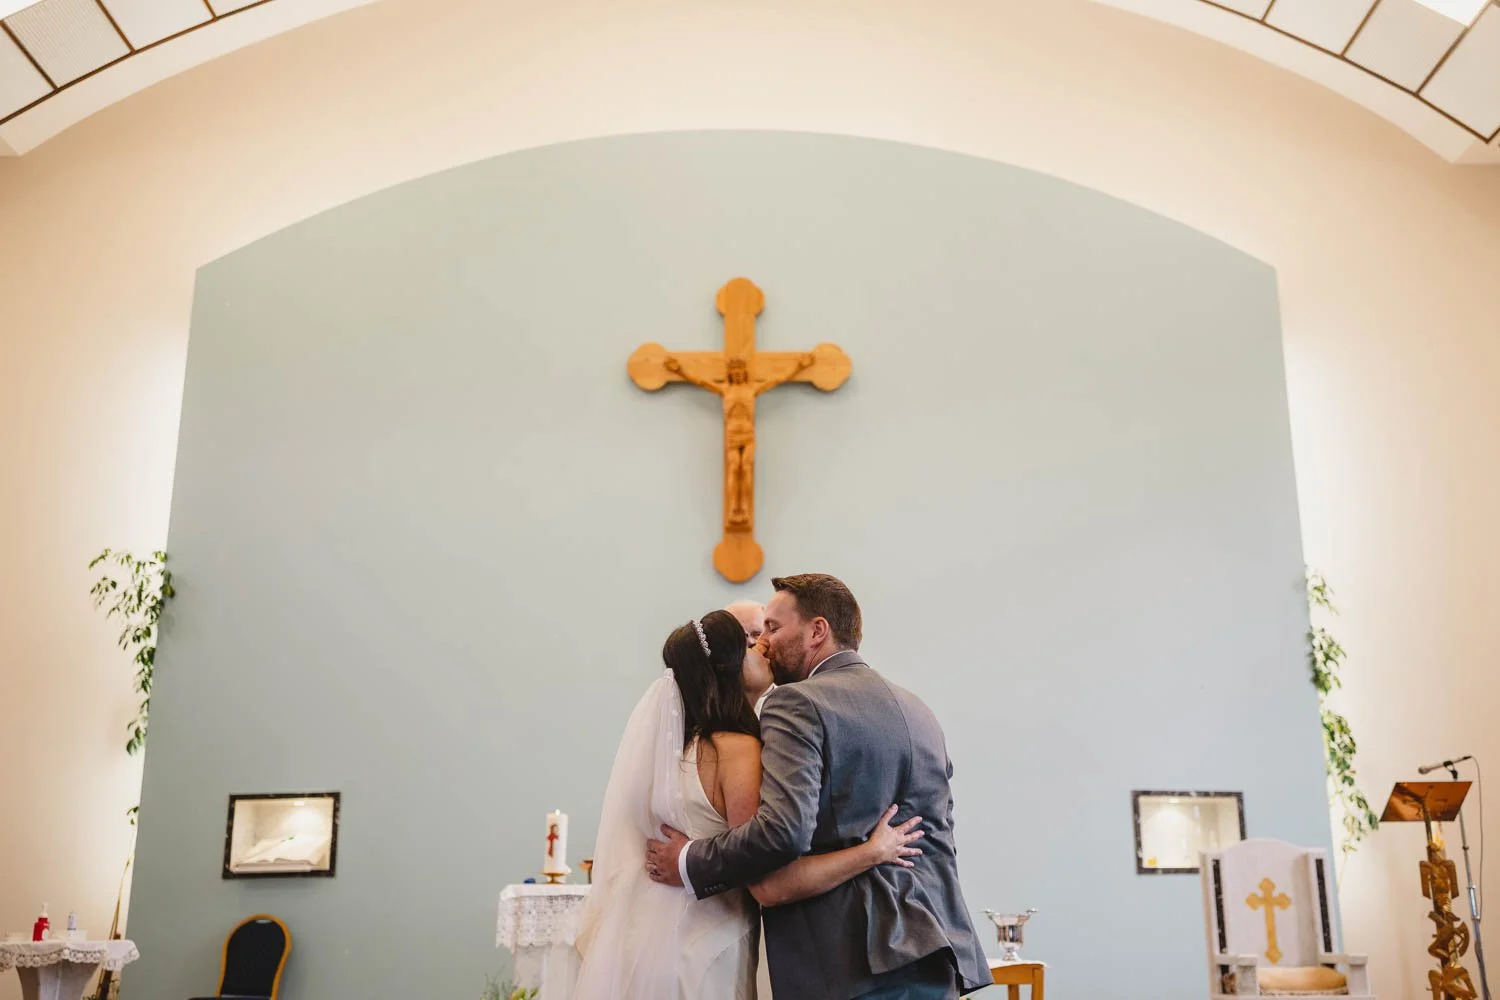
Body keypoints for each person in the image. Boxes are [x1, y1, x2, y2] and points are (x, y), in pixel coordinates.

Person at [646, 574, 990, 999]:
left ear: (817, 630)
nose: (765, 642)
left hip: (850, 959)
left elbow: (782, 831)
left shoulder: (798, 702)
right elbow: (940, 836)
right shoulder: (917, 708)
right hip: (936, 950)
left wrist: (690, 859)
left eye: (772, 627)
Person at [573, 609, 924, 1000]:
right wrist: (872, 851)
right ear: (729, 669)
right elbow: (769, 880)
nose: (763, 646)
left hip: (656, 937)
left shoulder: (673, 751)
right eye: (749, 642)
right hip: (712, 942)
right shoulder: (738, 749)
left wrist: (687, 858)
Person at [725, 599, 774, 713]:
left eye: (757, 634)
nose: (750, 642)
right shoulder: (715, 698)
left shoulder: (791, 694)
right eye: (740, 636)